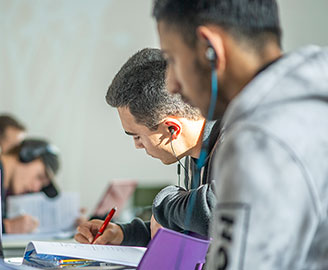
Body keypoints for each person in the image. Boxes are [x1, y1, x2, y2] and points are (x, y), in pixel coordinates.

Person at [153, 0, 328, 268]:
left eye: (172, 59)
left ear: (209, 49)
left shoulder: (260, 138)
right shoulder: (317, 100)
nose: (171, 84)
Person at [75, 48, 221, 246]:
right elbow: (192, 229)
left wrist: (165, 203)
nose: (137, 145)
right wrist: (124, 234)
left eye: (137, 136)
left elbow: (216, 210)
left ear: (171, 129)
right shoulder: (197, 151)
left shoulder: (239, 142)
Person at [0, 138, 60, 233]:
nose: (36, 188)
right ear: (26, 156)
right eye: (39, 176)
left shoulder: (5, 194)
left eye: (42, 185)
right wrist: (7, 227)